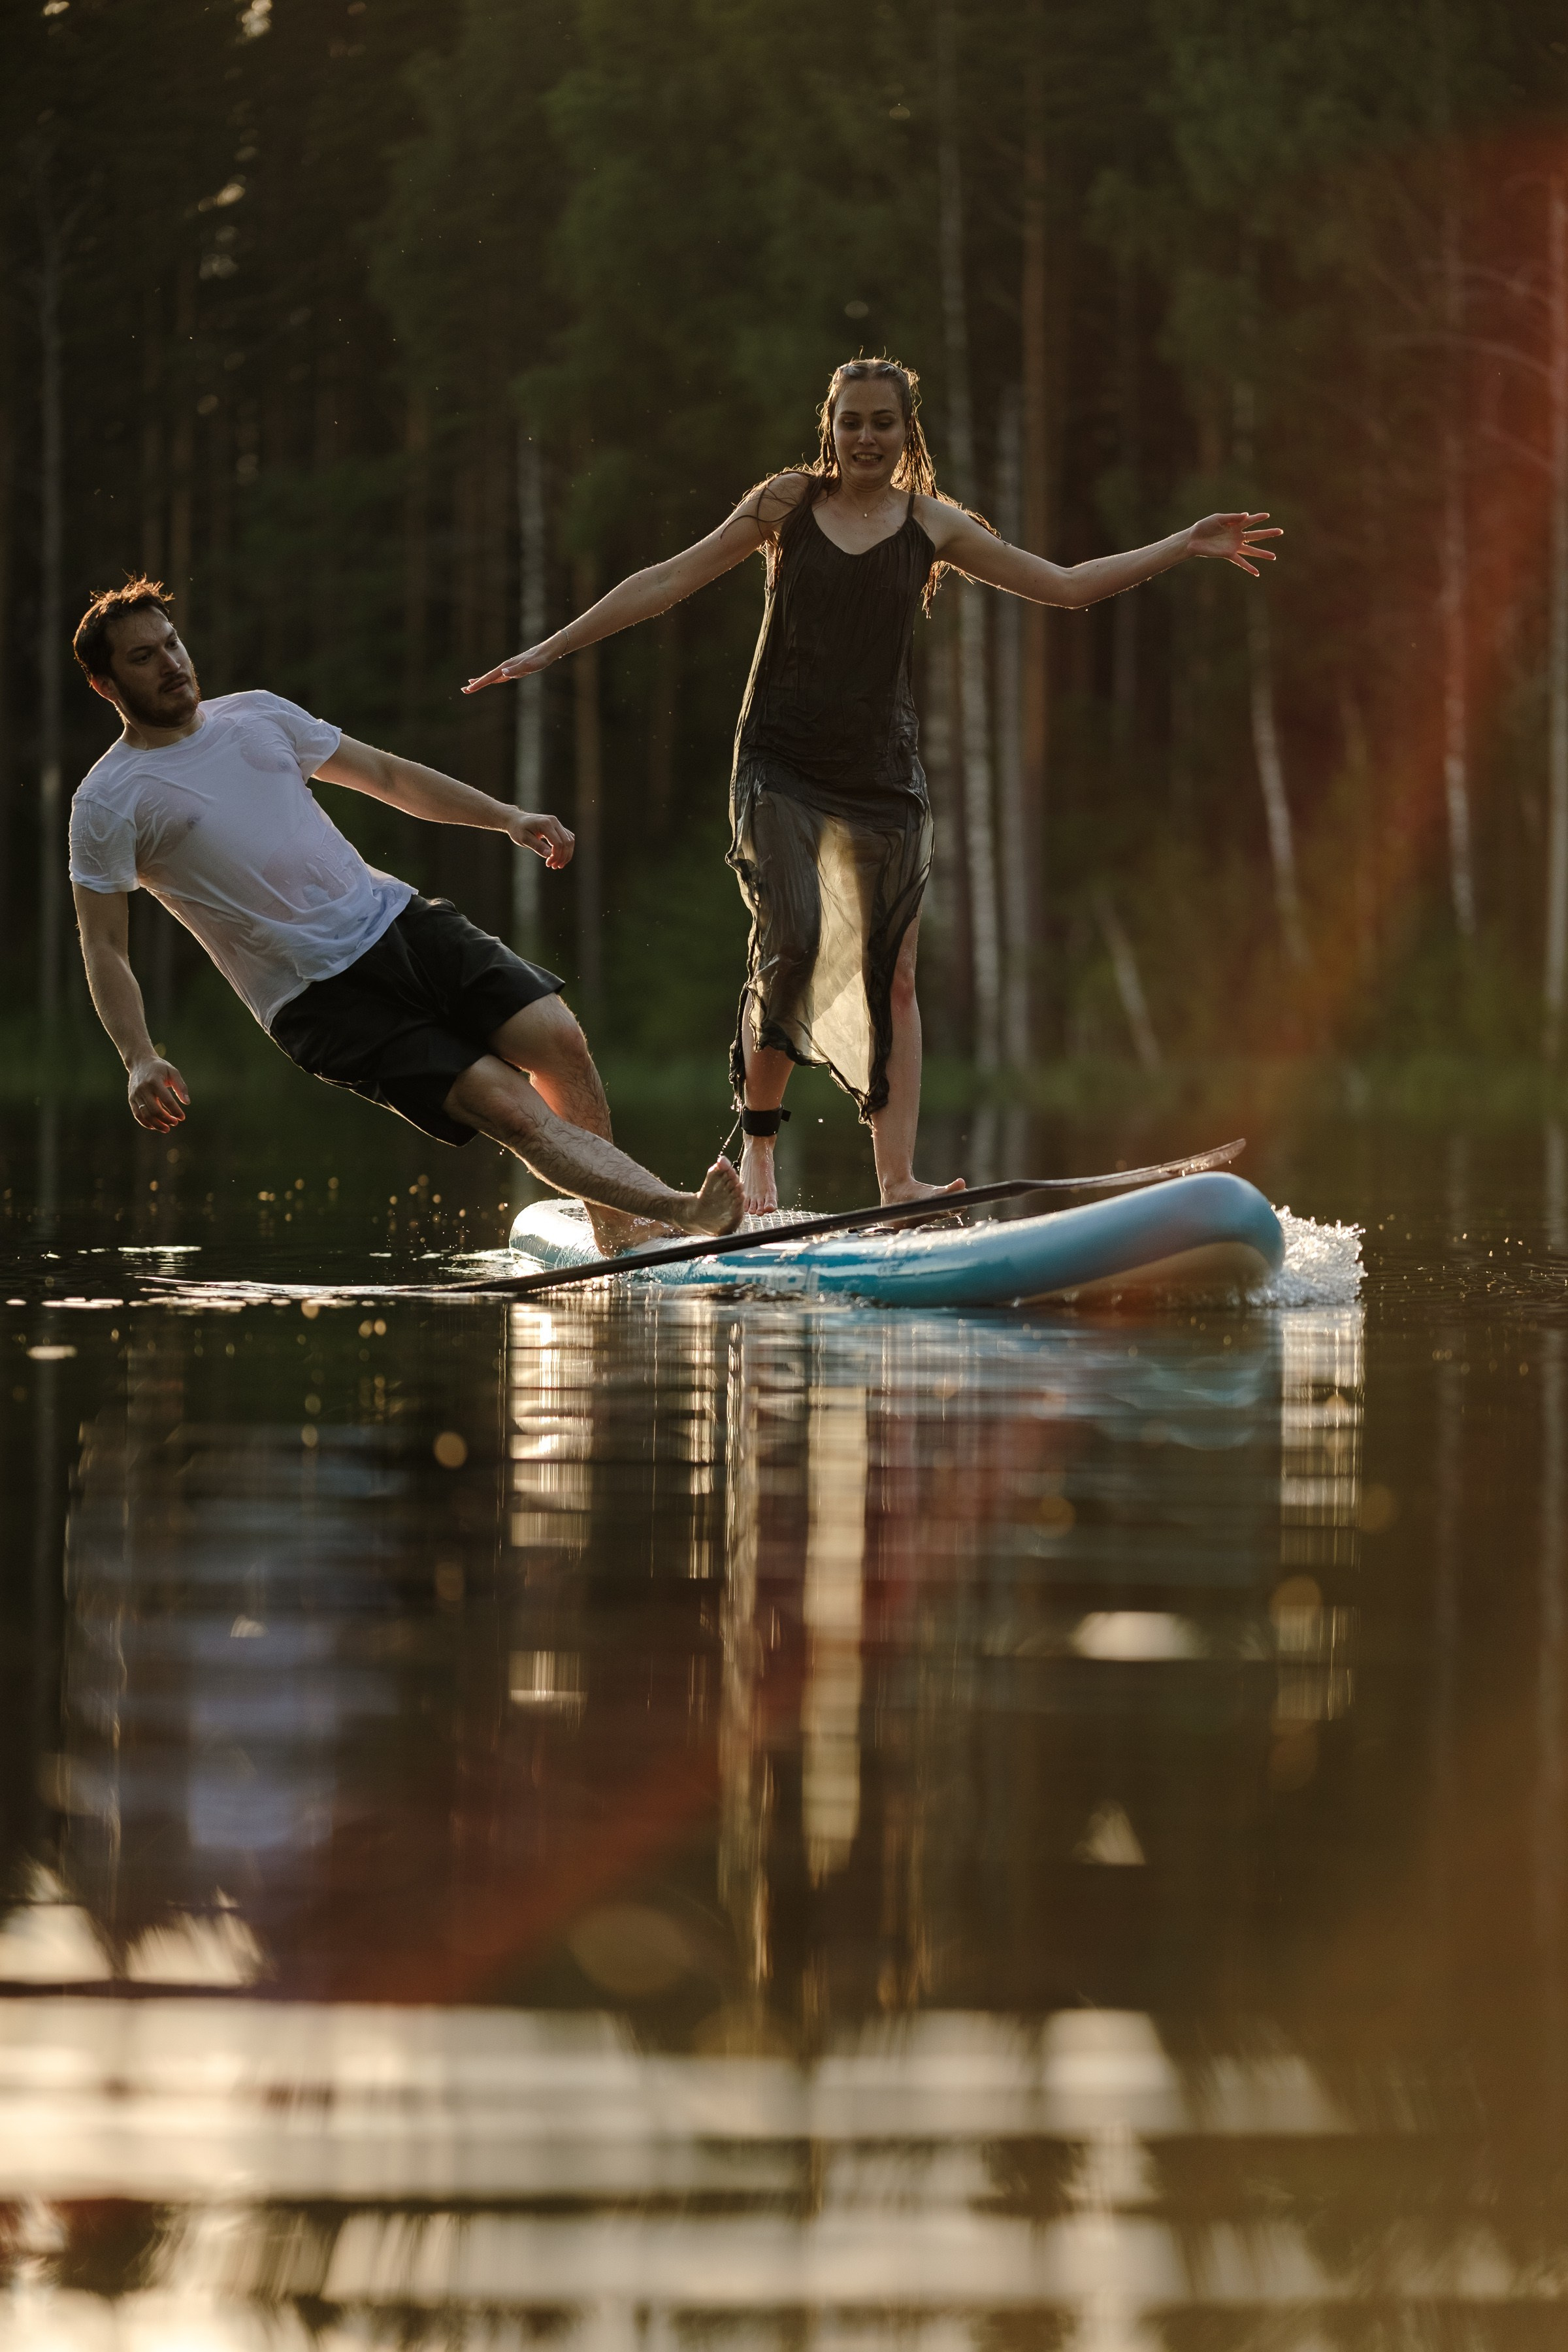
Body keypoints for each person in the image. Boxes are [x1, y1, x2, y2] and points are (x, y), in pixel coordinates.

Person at [466, 358, 1280, 1215]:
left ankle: (899, 1181)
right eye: (851, 422)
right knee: (795, 946)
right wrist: (548, 648)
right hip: (779, 763)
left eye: (882, 423)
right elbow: (669, 578)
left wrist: (1183, 545)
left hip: (883, 776)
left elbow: (1065, 586)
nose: (865, 438)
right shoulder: (787, 504)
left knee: (893, 976)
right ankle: (762, 1153)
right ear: (831, 428)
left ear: (905, 433)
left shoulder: (933, 526)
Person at [66, 579, 743, 1249]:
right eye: (143, 657)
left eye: (172, 643)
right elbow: (104, 947)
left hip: (398, 921)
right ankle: (677, 1211)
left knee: (560, 1041)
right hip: (318, 999)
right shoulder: (108, 801)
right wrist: (138, 1057)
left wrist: (508, 818)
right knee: (509, 1109)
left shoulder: (257, 715)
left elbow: (389, 778)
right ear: (105, 686)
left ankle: (620, 1232)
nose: (172, 663)